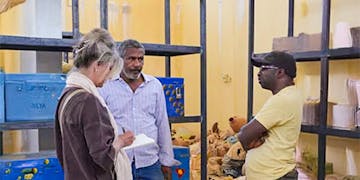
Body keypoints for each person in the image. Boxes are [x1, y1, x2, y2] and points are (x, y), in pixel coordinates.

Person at [54, 28, 135, 180]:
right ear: (98, 65)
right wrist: (121, 141)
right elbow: (103, 158)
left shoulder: (67, 95)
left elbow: (61, 151)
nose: (110, 77)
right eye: (109, 68)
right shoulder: (88, 101)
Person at [99, 39, 179, 180]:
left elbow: (162, 124)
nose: (137, 64)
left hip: (150, 163)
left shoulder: (154, 86)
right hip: (119, 161)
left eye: (140, 59)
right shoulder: (106, 86)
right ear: (120, 60)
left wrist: (166, 161)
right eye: (131, 59)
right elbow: (100, 126)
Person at [237, 51, 303, 179]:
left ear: (280, 72)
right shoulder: (288, 95)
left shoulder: (283, 99)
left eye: (264, 68)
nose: (259, 73)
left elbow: (244, 134)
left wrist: (248, 142)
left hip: (275, 176)